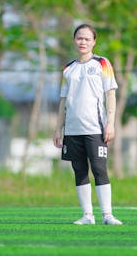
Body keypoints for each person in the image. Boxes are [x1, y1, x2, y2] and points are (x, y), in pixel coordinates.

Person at [53, 23, 123, 225]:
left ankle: (107, 215)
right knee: (79, 170)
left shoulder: (102, 63)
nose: (82, 42)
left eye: (86, 39)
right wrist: (59, 129)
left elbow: (111, 94)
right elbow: (63, 101)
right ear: (74, 41)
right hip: (73, 131)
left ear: (94, 41)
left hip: (95, 128)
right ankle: (87, 215)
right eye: (79, 38)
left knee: (100, 169)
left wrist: (110, 123)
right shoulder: (68, 68)